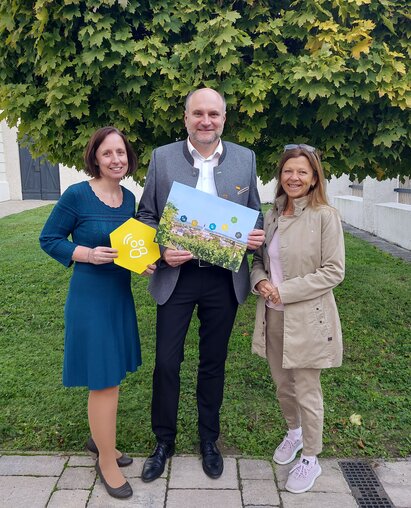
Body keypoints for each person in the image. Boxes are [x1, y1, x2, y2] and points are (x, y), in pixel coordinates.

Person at [136, 88, 265, 481]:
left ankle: (209, 439)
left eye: (213, 114)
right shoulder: (162, 157)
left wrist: (251, 236)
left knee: (213, 362)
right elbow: (146, 215)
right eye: (198, 113)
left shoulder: (245, 159)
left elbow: (255, 214)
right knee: (166, 363)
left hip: (222, 278)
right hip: (178, 275)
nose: (205, 120)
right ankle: (163, 441)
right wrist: (160, 247)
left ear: (224, 118)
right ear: (186, 117)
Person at [39, 126, 155, 500]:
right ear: (95, 157)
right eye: (108, 153)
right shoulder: (77, 195)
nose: (116, 159)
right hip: (89, 298)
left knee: (113, 373)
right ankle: (106, 458)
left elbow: (129, 247)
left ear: (129, 158)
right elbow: (49, 238)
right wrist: (85, 254)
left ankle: (100, 441)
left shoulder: (128, 199)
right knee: (103, 379)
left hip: (118, 296)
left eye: (121, 153)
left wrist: (144, 263)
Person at [250, 144, 345, 494]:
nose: (294, 177)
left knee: (307, 389)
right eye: (288, 171)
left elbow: (334, 271)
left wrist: (284, 291)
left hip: (308, 318)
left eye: (302, 172)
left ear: (314, 177)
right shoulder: (273, 213)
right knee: (282, 384)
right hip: (272, 316)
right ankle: (293, 433)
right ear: (280, 175)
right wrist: (259, 280)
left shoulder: (324, 215)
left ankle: (311, 458)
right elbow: (260, 259)